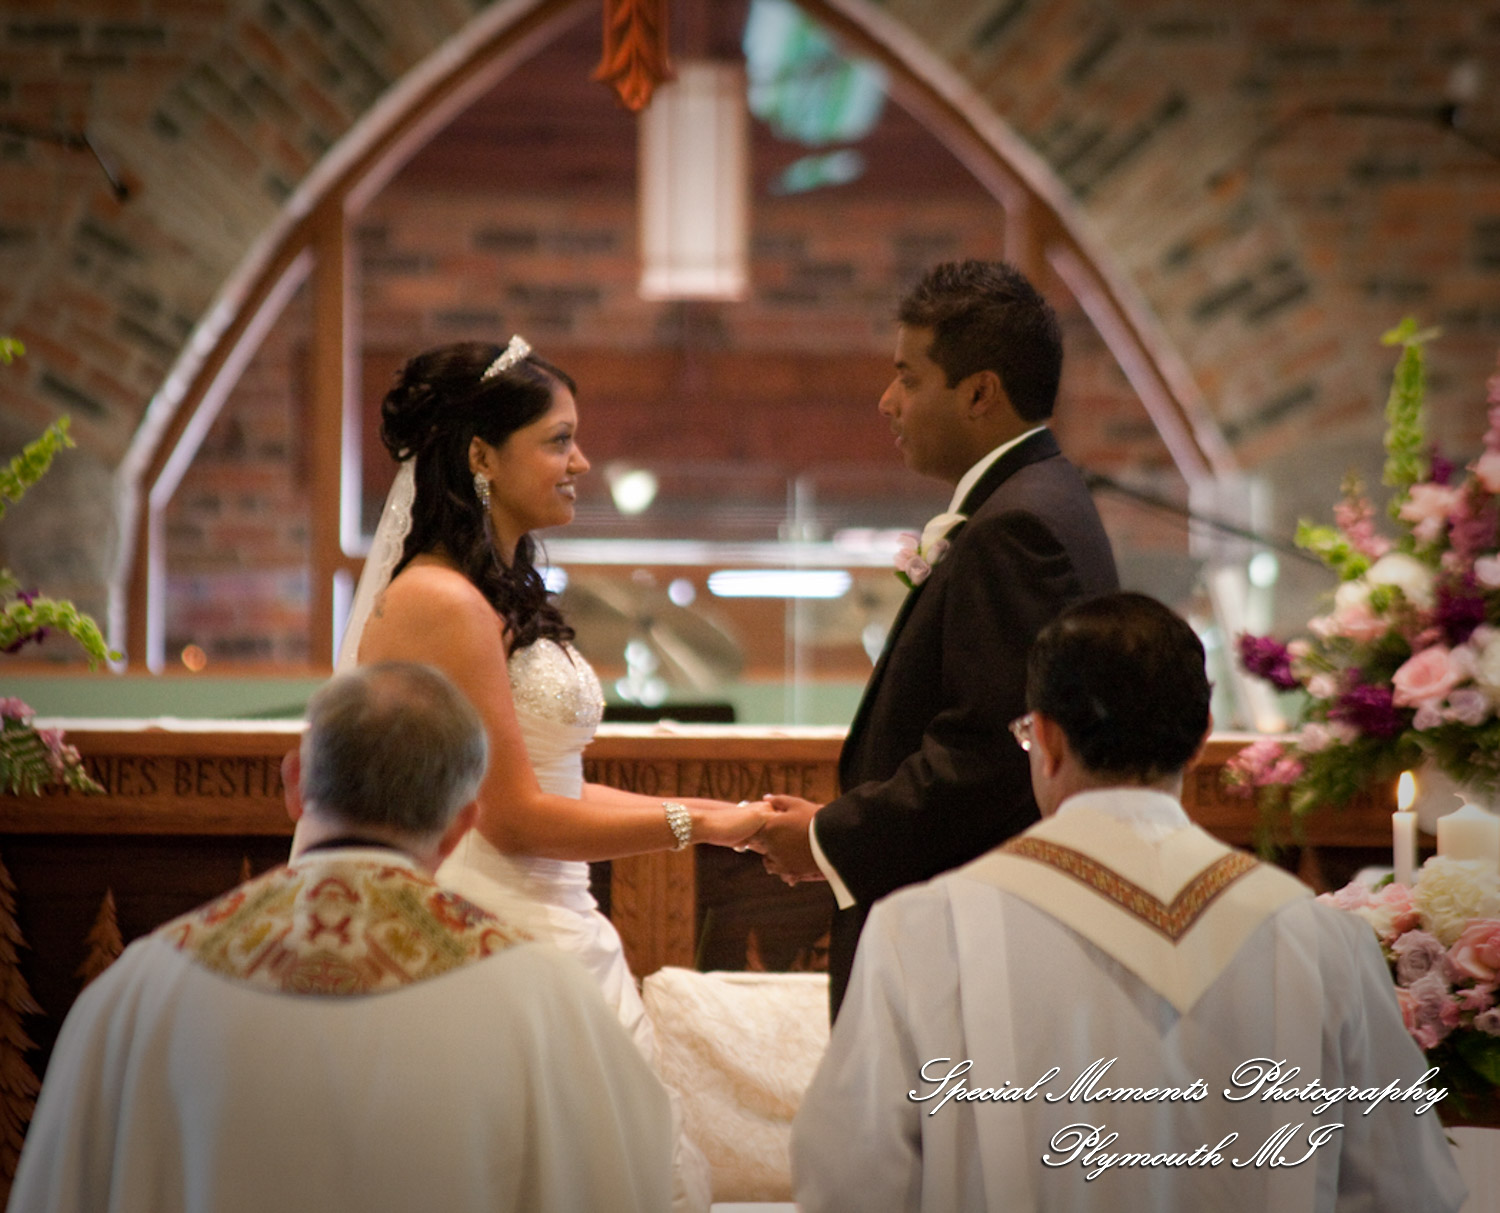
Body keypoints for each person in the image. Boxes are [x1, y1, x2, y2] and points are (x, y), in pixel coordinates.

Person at [790, 593, 1467, 1212]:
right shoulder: (1324, 942)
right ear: (1202, 735)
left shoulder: (924, 930)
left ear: (1047, 738)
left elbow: (849, 1183)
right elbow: (1410, 1191)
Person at [338, 335, 759, 1210]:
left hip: (555, 916)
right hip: (493, 926)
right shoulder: (442, 601)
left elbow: (549, 785)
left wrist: (710, 808)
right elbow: (516, 817)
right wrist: (697, 827)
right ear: (482, 456)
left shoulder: (489, 592)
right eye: (559, 439)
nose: (583, 460)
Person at [9, 662, 676, 1213]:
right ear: (462, 821)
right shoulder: (546, 1000)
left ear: (295, 783)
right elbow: (628, 1181)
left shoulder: (140, 989)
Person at [749, 259, 1118, 1018]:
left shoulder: (1018, 526)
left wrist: (828, 837)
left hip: (967, 939)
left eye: (909, 379)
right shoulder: (1033, 499)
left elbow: (989, 753)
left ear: (979, 390)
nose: (888, 402)